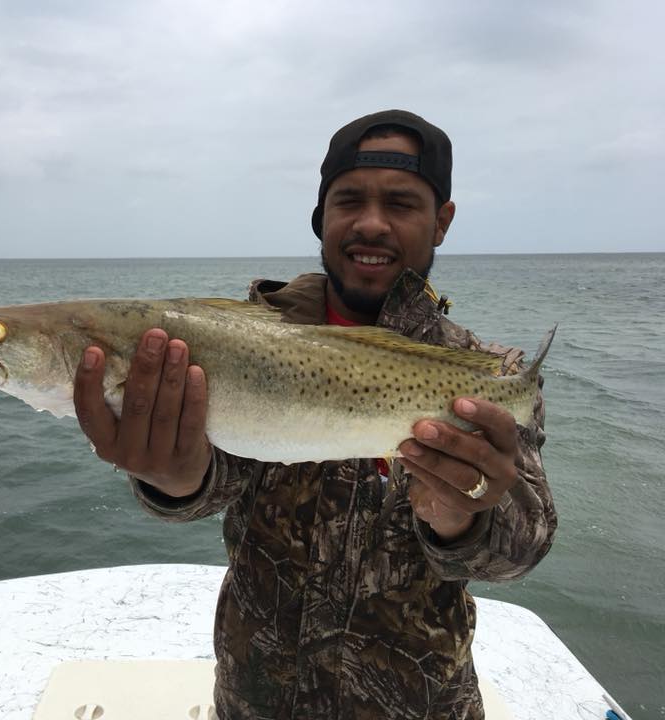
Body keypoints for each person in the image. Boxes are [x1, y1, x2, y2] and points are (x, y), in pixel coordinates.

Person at [72, 109, 557, 719]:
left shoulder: (488, 374)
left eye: (402, 203)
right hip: (254, 702)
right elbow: (211, 482)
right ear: (319, 216)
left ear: (442, 222)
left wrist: (462, 518)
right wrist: (170, 477)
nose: (371, 223)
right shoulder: (242, 339)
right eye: (348, 199)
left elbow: (524, 549)